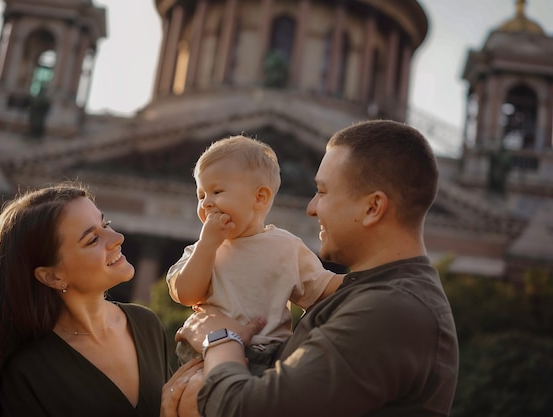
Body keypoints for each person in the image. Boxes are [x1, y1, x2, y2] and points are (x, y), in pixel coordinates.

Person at [162, 120, 460, 417]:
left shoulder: (391, 309)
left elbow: (247, 410)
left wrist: (222, 339)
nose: (311, 207)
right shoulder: (374, 294)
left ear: (372, 208)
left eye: (323, 191)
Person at [0, 182, 171, 417]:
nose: (117, 237)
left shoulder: (146, 324)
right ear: (52, 276)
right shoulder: (26, 373)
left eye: (105, 224)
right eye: (92, 240)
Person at [166, 135, 342, 375]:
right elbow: (186, 294)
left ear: (260, 197)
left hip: (269, 355)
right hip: (203, 352)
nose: (206, 203)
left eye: (216, 191)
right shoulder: (201, 250)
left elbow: (323, 288)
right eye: (201, 195)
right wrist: (207, 245)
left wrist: (370, 274)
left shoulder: (287, 247)